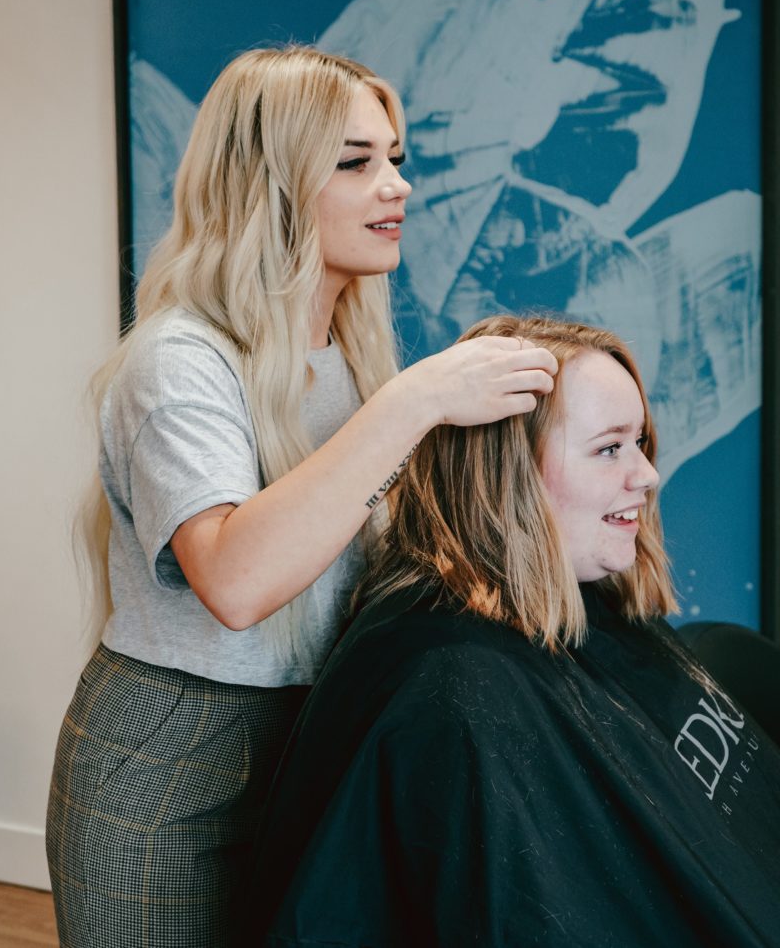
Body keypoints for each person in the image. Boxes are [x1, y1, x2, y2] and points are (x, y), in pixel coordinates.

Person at [44, 48, 557, 948]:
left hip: (312, 739)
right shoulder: (181, 361)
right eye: (356, 163)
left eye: (396, 158)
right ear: (268, 182)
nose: (395, 186)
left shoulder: (353, 355)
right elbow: (237, 581)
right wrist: (416, 401)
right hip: (170, 770)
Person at [244, 315, 780, 947]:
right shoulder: (456, 693)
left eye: (639, 442)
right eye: (609, 448)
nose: (646, 474)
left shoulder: (586, 619)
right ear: (508, 476)